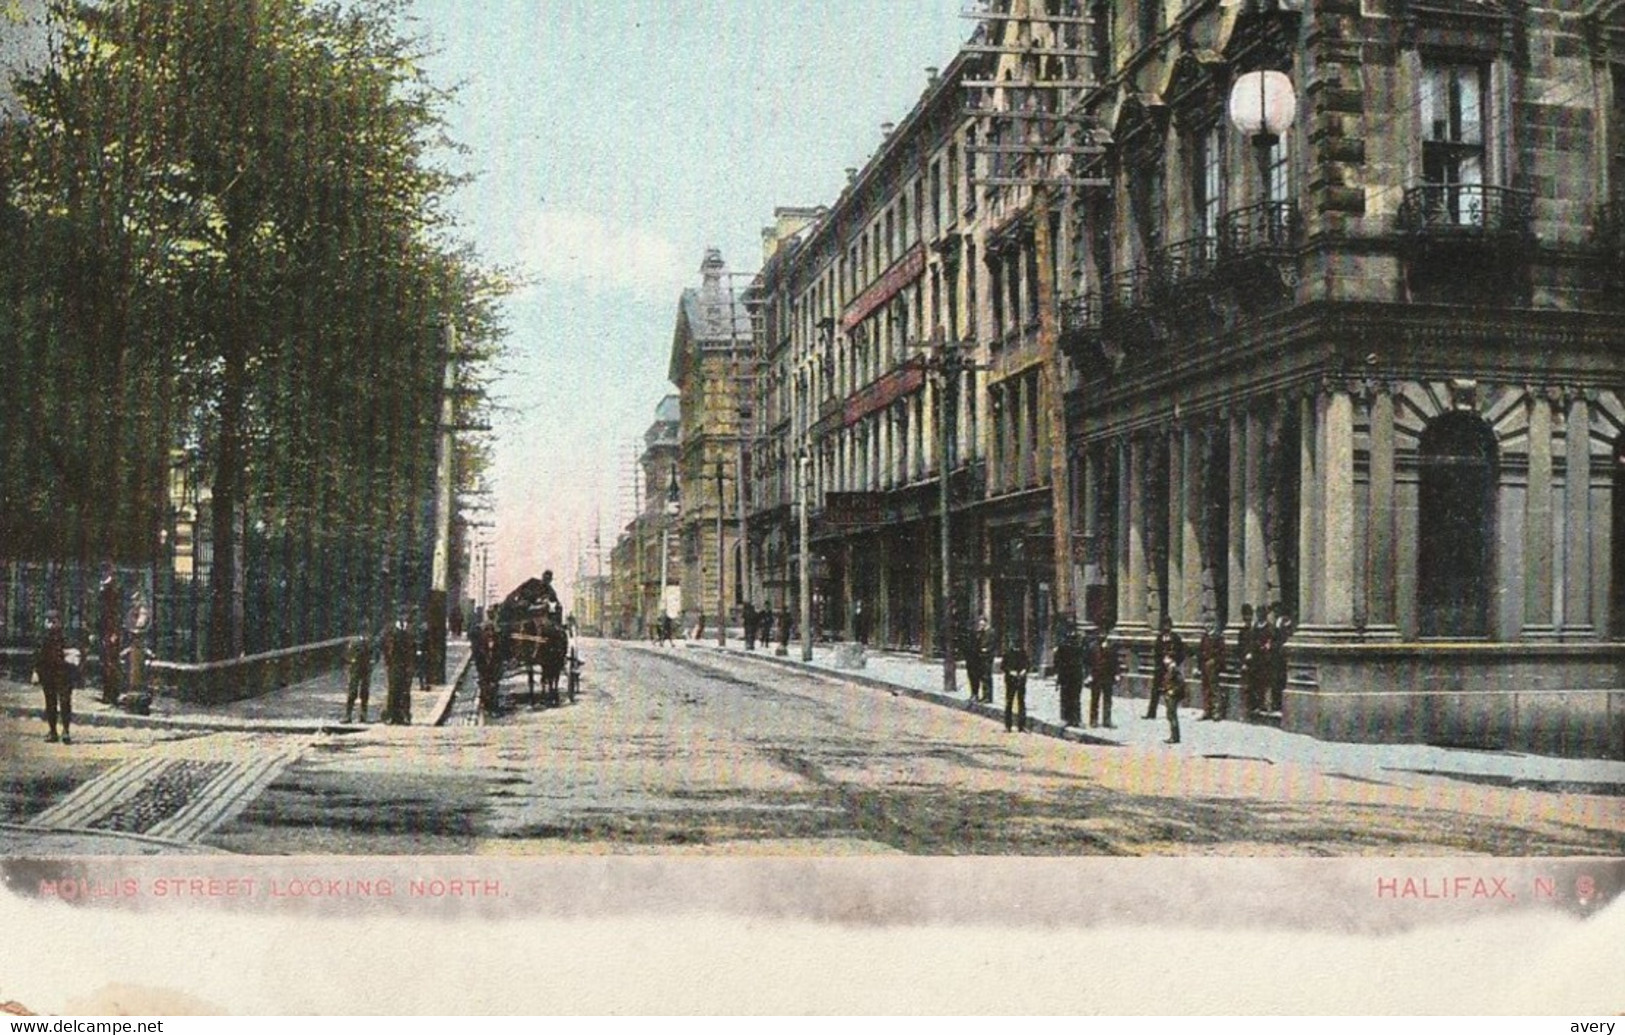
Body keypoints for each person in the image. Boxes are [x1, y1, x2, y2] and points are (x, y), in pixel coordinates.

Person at [34, 610, 73, 744]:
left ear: (59, 623)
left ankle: (66, 731)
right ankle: (53, 731)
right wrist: (35, 672)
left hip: (64, 674)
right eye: (48, 621)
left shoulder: (65, 637)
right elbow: (38, 656)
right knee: (50, 703)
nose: (51, 624)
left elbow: (73, 654)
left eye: (54, 621)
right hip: (48, 674)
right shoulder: (42, 637)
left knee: (65, 702)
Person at [1144, 616, 1185, 719]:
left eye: (1168, 625)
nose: (1166, 627)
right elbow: (1156, 653)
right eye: (1164, 625)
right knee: (1155, 690)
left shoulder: (1176, 638)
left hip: (1172, 668)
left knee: (1171, 691)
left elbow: (1182, 652)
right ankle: (1151, 713)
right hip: (1160, 667)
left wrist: (1175, 662)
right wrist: (1160, 662)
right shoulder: (1159, 638)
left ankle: (1170, 713)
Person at [381, 611, 415, 725]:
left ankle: (405, 715)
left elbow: (415, 646)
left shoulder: (411, 629)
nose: (403, 617)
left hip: (407, 664)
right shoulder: (389, 628)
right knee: (393, 689)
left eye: (404, 615)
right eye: (400, 614)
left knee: (406, 690)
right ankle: (391, 715)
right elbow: (383, 644)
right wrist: (386, 659)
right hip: (394, 664)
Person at [1052, 623, 1086, 727]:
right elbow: (1057, 662)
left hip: (1074, 675)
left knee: (1074, 698)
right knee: (1067, 697)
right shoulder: (1063, 648)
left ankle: (1074, 719)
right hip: (1067, 675)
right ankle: (1067, 718)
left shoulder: (1079, 648)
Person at [1088, 625, 1120, 728]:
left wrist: (1117, 674)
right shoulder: (1092, 647)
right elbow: (1087, 662)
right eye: (1100, 633)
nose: (1102, 635)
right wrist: (1088, 675)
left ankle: (1107, 720)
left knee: (1107, 699)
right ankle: (1093, 720)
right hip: (1096, 676)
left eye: (1104, 633)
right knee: (1095, 699)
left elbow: (1115, 661)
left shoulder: (1111, 646)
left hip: (1108, 676)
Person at [97, 568, 121, 704]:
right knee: (106, 664)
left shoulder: (112, 599)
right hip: (105, 633)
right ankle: (109, 693)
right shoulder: (105, 600)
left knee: (110, 665)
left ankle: (111, 694)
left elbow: (114, 617)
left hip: (110, 634)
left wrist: (114, 633)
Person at [1198, 621, 1228, 721]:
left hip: (1213, 666)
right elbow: (1200, 651)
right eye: (1206, 624)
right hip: (1204, 665)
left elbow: (1222, 652)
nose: (1208, 626)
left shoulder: (1218, 637)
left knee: (1214, 688)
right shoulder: (1204, 637)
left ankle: (1217, 711)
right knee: (1205, 688)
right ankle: (1207, 710)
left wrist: (1215, 661)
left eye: (1210, 624)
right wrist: (1199, 666)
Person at [1161, 636, 1188, 745]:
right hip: (1169, 693)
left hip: (1173, 694)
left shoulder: (1174, 669)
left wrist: (1172, 691)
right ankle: (1173, 735)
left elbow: (1180, 683)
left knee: (1172, 715)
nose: (1164, 660)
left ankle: (1175, 736)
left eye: (1166, 658)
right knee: (1170, 715)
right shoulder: (1169, 669)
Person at [343, 629, 374, 724]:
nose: (367, 635)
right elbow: (347, 654)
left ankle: (363, 715)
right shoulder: (354, 642)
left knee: (364, 692)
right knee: (352, 692)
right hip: (355, 669)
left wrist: (372, 662)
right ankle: (348, 716)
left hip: (366, 669)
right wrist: (351, 660)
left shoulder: (370, 643)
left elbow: (374, 654)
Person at [1269, 605, 1294, 714]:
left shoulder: (1286, 622)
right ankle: (1276, 704)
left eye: (1276, 610)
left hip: (1282, 654)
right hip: (1275, 654)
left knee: (1281, 678)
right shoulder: (1275, 622)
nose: (1274, 612)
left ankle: (1280, 704)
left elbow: (1286, 635)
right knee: (1275, 679)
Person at [1001, 641, 1031, 733]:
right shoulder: (1007, 654)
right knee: (1009, 702)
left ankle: (1022, 726)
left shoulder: (1023, 653)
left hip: (1021, 680)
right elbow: (1003, 666)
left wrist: (1024, 671)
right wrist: (1010, 671)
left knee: (1021, 702)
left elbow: (1028, 664)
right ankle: (1008, 726)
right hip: (1010, 680)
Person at [1236, 604, 1259, 715]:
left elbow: (1257, 645)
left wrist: (1251, 654)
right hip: (1245, 662)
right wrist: (1243, 662)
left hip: (1256, 662)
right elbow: (1240, 648)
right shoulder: (1242, 631)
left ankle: (1255, 706)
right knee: (1246, 686)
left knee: (1256, 685)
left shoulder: (1255, 630)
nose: (1247, 620)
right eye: (1245, 618)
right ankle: (1247, 708)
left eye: (1249, 617)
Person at [966, 617, 995, 704]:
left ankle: (988, 697)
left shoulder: (991, 632)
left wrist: (986, 649)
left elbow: (992, 645)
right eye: (980, 624)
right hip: (980, 658)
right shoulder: (980, 633)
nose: (981, 626)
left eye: (982, 624)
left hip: (987, 657)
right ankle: (980, 696)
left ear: (986, 624)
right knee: (980, 676)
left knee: (986, 677)